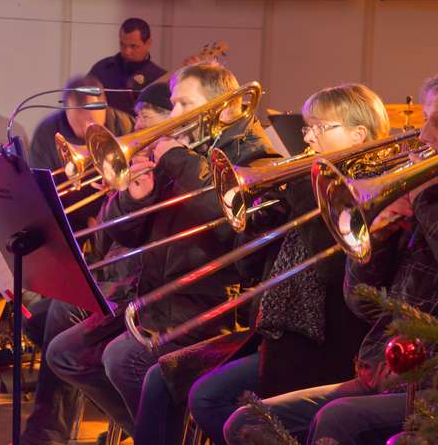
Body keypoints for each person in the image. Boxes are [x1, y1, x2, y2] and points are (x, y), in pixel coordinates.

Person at [224, 68, 438, 444]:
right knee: (247, 423)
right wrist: (382, 235)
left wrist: (431, 200)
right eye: (426, 121)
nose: (423, 137)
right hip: (389, 371)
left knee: (339, 421)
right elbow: (364, 304)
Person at [132, 83, 389, 445]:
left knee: (208, 398)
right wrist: (256, 224)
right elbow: (249, 271)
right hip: (275, 334)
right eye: (307, 127)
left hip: (328, 345)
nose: (309, 137)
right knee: (167, 379)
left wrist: (302, 194)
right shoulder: (309, 184)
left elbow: (336, 273)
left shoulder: (367, 190)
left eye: (320, 127)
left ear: (359, 134)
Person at [45, 62, 278, 438]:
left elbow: (230, 223)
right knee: (65, 353)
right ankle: (146, 431)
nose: (175, 116)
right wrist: (137, 199)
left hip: (211, 307)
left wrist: (178, 161)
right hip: (155, 298)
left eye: (185, 104)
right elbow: (119, 237)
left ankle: (159, 433)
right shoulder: (186, 152)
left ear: (228, 108)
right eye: (174, 104)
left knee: (122, 359)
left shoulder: (256, 160)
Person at [20, 83, 172, 445]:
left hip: (146, 289)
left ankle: (52, 432)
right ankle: (57, 429)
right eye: (136, 115)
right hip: (119, 276)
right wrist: (116, 195)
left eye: (144, 116)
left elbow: (139, 244)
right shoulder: (139, 157)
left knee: (60, 316)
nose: (136, 123)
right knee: (39, 320)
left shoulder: (176, 167)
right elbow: (108, 240)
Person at [29, 75, 134, 235]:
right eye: (81, 120)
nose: (88, 128)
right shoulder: (47, 132)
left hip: (117, 214)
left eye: (94, 120)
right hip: (68, 218)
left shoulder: (125, 124)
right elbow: (41, 191)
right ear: (67, 110)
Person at [89, 18, 167, 115]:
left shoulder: (159, 77)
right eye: (122, 44)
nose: (127, 51)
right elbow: (84, 100)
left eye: (133, 46)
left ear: (148, 44)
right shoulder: (101, 69)